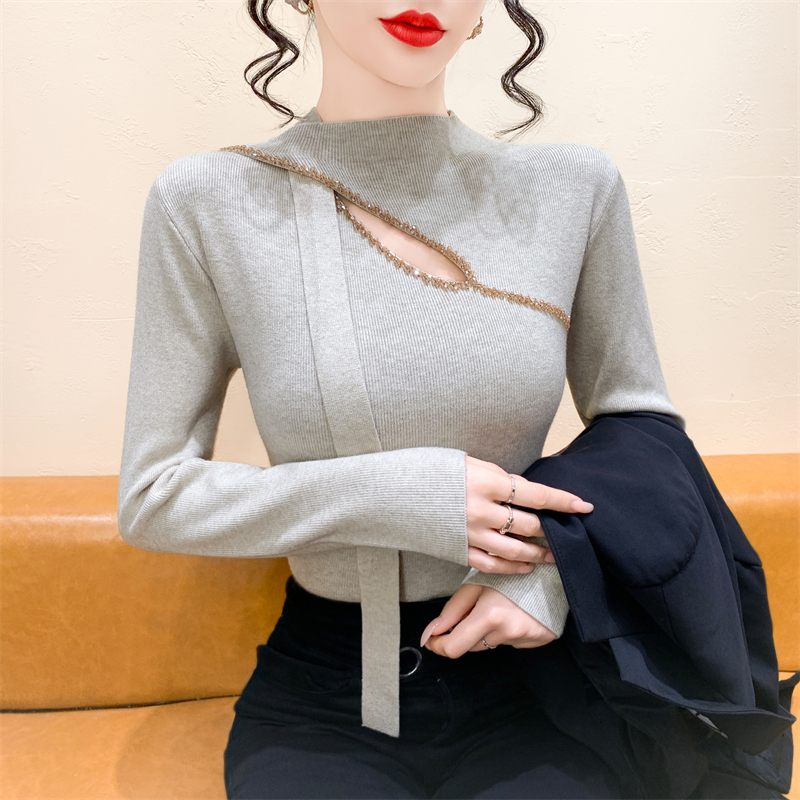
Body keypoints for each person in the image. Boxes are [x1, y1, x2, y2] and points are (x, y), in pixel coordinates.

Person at [117, 1, 791, 797]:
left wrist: (553, 581)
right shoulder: (208, 200)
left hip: (543, 688)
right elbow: (154, 496)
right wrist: (405, 495)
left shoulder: (572, 189)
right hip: (323, 698)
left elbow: (641, 428)